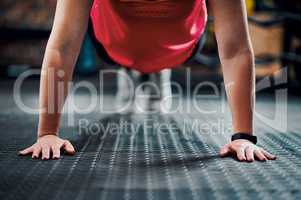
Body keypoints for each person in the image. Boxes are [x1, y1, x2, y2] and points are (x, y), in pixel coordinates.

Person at [19, 0, 276, 162]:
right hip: (115, 45)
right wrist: (47, 133)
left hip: (180, 46)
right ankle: (135, 71)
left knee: (154, 62)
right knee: (130, 58)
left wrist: (243, 136)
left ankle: (154, 71)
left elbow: (235, 50)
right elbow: (63, 47)